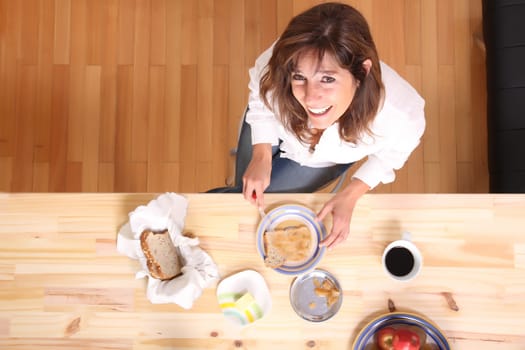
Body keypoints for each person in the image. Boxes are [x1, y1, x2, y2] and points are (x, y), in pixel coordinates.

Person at [208, 2, 425, 249]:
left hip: (320, 160)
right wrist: (261, 154)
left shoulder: (400, 113)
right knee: (242, 196)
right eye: (299, 77)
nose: (310, 99)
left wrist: (351, 194)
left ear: (362, 73)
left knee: (245, 199)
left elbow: (393, 154)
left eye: (327, 79)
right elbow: (260, 96)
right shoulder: (279, 59)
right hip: (271, 126)